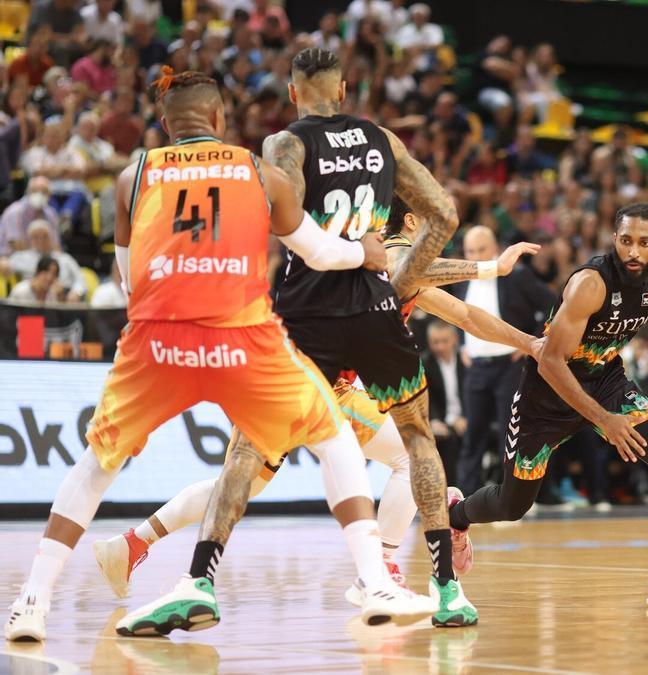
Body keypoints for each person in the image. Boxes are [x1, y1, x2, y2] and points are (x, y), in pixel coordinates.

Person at [3, 68, 425, 643]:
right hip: (241, 339)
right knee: (332, 437)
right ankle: (375, 582)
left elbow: (130, 282)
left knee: (96, 464)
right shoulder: (257, 171)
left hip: (158, 341)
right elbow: (322, 253)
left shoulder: (133, 176)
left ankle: (32, 602)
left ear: (163, 123)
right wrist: (364, 252)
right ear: (220, 121)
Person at [92, 198, 541, 631]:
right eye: (433, 224)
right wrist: (491, 270)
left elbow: (465, 314)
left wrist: (530, 343)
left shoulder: (374, 261)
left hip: (278, 379)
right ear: (409, 223)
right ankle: (380, 571)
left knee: (238, 484)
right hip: (319, 386)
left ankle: (135, 542)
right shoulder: (392, 254)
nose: (441, 236)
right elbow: (437, 288)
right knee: (411, 456)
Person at [255, 48, 487, 624]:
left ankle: (194, 570)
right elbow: (444, 214)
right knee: (416, 444)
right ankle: (440, 588)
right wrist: (398, 277)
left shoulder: (286, 145)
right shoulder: (381, 139)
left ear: (292, 93)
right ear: (343, 89)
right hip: (373, 310)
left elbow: (273, 221)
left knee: (249, 459)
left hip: (307, 317)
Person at [449, 202, 648, 610]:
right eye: (626, 240)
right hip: (546, 393)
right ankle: (458, 516)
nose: (634, 250)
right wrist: (604, 421)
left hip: (606, 381)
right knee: (513, 505)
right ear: (615, 239)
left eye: (644, 242)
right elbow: (549, 361)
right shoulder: (591, 283)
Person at [455, 225, 556, 495]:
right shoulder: (461, 278)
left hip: (510, 366)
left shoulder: (517, 276)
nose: (476, 256)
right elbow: (451, 312)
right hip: (475, 367)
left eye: (481, 250)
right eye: (470, 251)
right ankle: (465, 498)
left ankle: (510, 496)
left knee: (510, 434)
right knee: (473, 434)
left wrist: (529, 343)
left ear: (495, 250)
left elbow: (553, 305)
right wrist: (461, 345)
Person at [424, 321, 467, 485]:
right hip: (441, 421)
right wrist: (434, 421)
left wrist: (465, 417)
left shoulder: (466, 360)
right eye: (435, 342)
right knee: (446, 442)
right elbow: (428, 398)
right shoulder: (425, 363)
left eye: (444, 341)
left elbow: (474, 394)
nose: (440, 347)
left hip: (465, 419)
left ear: (454, 339)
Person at [8, 220, 88, 301]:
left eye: (44, 236)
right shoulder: (21, 257)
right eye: (36, 237)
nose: (40, 240)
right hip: (31, 298)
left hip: (64, 298)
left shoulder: (65, 258)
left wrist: (76, 292)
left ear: (52, 238)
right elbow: (5, 264)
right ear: (30, 239)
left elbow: (80, 279)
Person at [0, 177, 59, 256]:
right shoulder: (15, 211)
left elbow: (56, 245)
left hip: (40, 258)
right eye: (35, 190)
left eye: (44, 191)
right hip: (9, 256)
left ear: (50, 195)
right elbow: (17, 245)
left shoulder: (51, 213)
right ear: (28, 192)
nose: (39, 194)